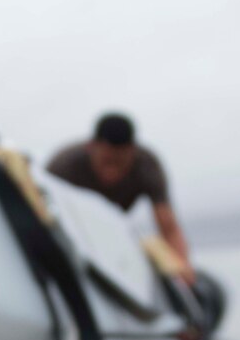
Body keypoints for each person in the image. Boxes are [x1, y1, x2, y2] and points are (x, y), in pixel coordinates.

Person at [47, 113, 195, 282]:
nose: (112, 172)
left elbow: (168, 226)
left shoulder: (147, 166)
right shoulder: (65, 165)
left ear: (133, 152)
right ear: (90, 147)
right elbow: (44, 215)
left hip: (117, 232)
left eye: (120, 163)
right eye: (106, 162)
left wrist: (182, 267)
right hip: (74, 231)